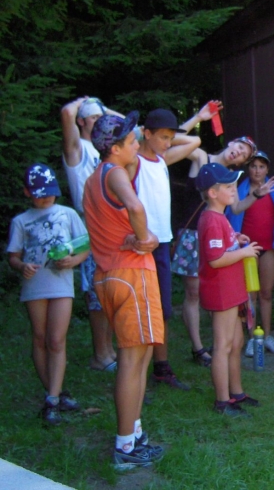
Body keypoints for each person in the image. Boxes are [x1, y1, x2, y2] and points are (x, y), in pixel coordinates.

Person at [83, 112, 165, 470]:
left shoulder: (95, 178)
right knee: (132, 362)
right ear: (114, 148)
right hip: (131, 273)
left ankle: (134, 434)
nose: (137, 145)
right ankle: (125, 446)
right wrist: (145, 238)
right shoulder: (113, 172)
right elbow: (134, 205)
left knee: (140, 359)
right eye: (131, 141)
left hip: (108, 274)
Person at [171, 100, 260, 367]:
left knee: (211, 290)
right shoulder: (201, 157)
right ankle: (198, 348)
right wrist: (198, 118)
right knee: (193, 292)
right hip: (190, 234)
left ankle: (219, 341)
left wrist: (256, 195)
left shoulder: (229, 179)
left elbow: (236, 207)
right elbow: (169, 140)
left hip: (213, 234)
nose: (238, 153)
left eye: (243, 155)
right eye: (239, 147)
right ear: (230, 143)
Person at [7, 164, 88, 425]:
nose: (46, 198)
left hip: (61, 284)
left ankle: (52, 400)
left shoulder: (67, 214)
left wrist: (73, 261)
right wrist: (21, 266)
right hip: (35, 285)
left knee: (56, 339)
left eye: (50, 192)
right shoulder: (21, 221)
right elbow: (13, 256)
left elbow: (86, 246)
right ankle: (55, 391)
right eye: (40, 194)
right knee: (40, 337)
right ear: (27, 193)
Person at [128, 108, 202, 390]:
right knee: (141, 309)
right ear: (145, 134)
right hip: (140, 244)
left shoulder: (162, 160)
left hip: (161, 242)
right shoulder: (133, 161)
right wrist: (139, 133)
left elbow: (194, 142)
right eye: (162, 137)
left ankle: (161, 367)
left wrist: (169, 136)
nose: (168, 143)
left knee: (163, 308)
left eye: (171, 138)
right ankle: (136, 373)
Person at [196, 163, 262, 417]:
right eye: (228, 186)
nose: (234, 189)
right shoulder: (212, 219)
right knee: (223, 345)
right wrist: (244, 252)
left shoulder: (219, 216)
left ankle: (236, 392)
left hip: (233, 290)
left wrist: (237, 240)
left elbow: (223, 247)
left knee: (236, 343)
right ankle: (222, 401)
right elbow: (215, 259)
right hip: (221, 291)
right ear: (213, 193)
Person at [60, 97, 120, 371]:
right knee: (96, 295)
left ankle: (109, 350)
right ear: (82, 121)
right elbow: (66, 113)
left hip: (109, 226)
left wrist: (103, 109)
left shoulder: (104, 148)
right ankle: (100, 355)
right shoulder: (77, 150)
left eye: (101, 117)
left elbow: (129, 126)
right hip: (89, 228)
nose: (100, 121)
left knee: (108, 291)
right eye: (94, 118)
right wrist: (82, 101)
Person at [225, 151, 274, 357]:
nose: (257, 170)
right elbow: (232, 216)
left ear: (267, 169)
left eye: (261, 167)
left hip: (268, 248)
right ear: (248, 168)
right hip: (247, 250)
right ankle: (253, 337)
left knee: (266, 293)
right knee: (250, 295)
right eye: (253, 166)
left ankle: (267, 335)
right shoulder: (241, 190)